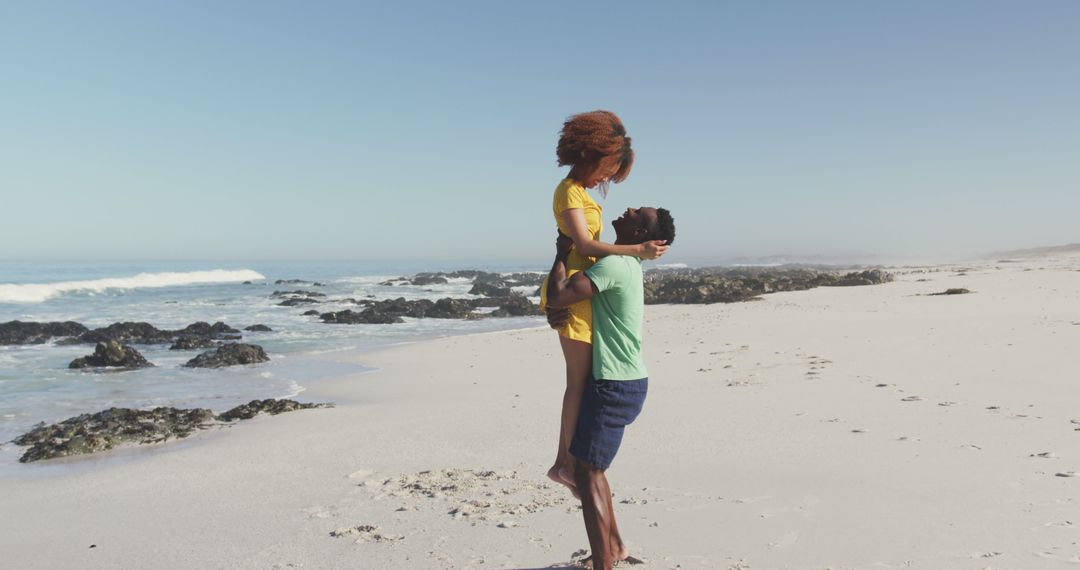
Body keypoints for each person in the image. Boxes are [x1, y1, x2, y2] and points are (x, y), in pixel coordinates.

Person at [541, 110, 668, 494]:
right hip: (575, 293)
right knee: (577, 383)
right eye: (606, 170)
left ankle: (571, 461)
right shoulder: (568, 191)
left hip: (586, 289)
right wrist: (637, 250)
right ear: (590, 154)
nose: (606, 180)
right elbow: (582, 245)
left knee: (586, 381)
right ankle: (563, 463)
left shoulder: (580, 193)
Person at [545, 205, 676, 570]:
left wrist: (559, 254)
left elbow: (560, 295)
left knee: (587, 474)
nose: (629, 208)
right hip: (623, 382)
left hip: (615, 386)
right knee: (592, 470)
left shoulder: (615, 265)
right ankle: (614, 548)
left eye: (638, 214)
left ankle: (604, 564)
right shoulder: (623, 263)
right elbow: (571, 300)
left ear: (639, 235)